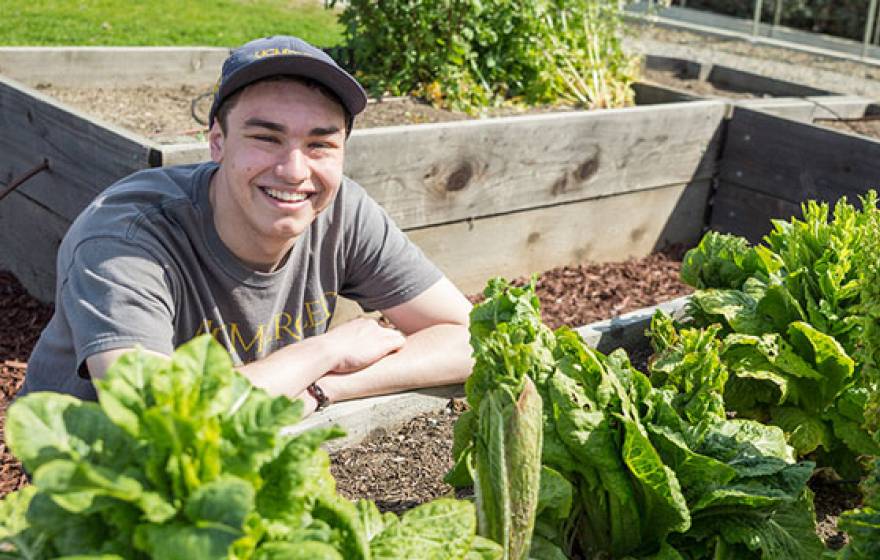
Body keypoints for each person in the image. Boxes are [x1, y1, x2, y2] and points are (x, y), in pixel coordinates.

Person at [20, 36, 474, 414]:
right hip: (105, 490)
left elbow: (471, 339)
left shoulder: (342, 213)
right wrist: (324, 352)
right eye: (266, 138)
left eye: (320, 144)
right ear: (217, 142)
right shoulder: (127, 237)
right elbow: (154, 414)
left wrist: (325, 388)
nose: (295, 171)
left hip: (245, 445)